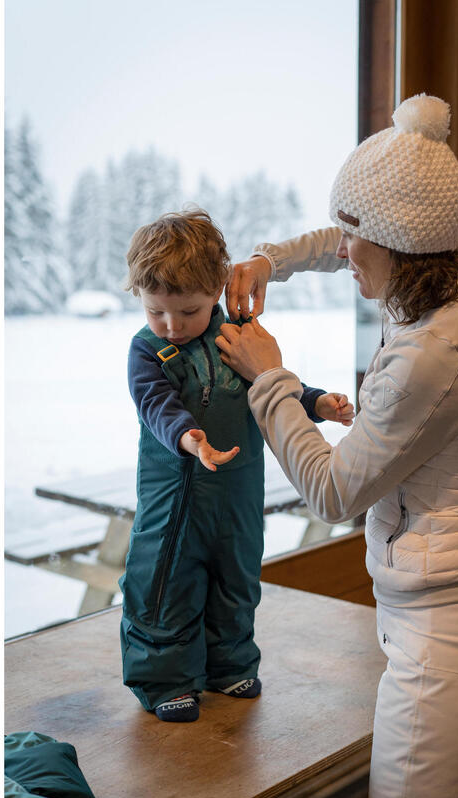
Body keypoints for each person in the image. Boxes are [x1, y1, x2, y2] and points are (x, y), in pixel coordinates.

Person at [216, 94, 458, 798]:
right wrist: (274, 259)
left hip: (450, 651)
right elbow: (344, 240)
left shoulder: (428, 355)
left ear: (400, 246)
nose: (343, 250)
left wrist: (269, 376)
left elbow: (332, 493)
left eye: (355, 238)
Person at [118, 208, 354, 723]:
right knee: (166, 582)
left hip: (238, 496)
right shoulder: (147, 352)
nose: (173, 326)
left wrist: (314, 403)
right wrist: (188, 437)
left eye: (190, 311)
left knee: (236, 578)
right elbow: (155, 404)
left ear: (218, 292)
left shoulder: (237, 337)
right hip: (177, 496)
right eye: (157, 312)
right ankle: (166, 678)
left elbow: (269, 382)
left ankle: (230, 664)